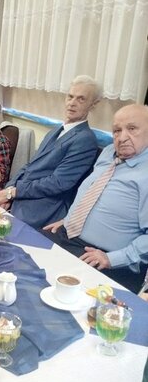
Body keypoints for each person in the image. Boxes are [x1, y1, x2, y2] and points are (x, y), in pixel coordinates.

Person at [42, 104, 148, 293]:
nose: (122, 137)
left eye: (132, 129)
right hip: (68, 235)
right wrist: (69, 219)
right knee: (15, 256)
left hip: (105, 259)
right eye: (117, 130)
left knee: (49, 292)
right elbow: (92, 191)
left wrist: (111, 259)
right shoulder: (108, 152)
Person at [0, 75, 100, 228]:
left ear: (93, 105)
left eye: (81, 99)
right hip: (20, 197)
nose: (72, 103)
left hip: (41, 209)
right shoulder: (55, 131)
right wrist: (9, 190)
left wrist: (14, 193)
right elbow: (29, 166)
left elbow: (57, 183)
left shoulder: (85, 139)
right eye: (70, 96)